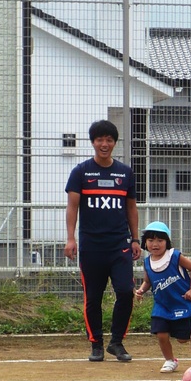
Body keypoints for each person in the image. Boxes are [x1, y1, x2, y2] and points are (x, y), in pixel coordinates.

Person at [64, 119, 141, 362]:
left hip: (119, 245)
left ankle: (116, 342)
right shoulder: (81, 172)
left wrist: (136, 238)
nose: (104, 144)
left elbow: (131, 208)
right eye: (100, 140)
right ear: (93, 142)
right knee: (93, 297)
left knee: (126, 292)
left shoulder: (125, 172)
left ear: (115, 143)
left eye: (109, 140)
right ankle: (96, 344)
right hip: (91, 247)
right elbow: (72, 207)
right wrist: (70, 239)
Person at [135, 221, 191, 373]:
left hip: (181, 302)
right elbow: (148, 281)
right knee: (161, 334)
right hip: (162, 305)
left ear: (167, 242)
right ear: (145, 242)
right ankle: (170, 360)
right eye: (151, 240)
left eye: (160, 240)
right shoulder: (147, 263)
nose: (155, 244)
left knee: (182, 339)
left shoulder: (174, 256)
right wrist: (141, 290)